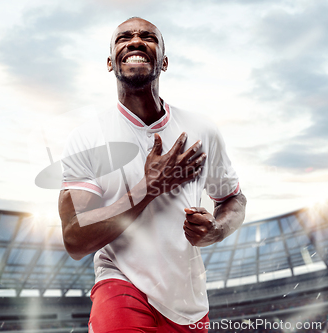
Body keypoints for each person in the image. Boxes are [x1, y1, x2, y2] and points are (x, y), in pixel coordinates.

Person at [58, 17, 247, 333]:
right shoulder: (86, 139)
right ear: (109, 62)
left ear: (164, 61)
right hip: (121, 287)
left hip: (188, 304)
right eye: (123, 38)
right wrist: (148, 188)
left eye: (148, 37)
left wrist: (217, 229)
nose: (134, 41)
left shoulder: (201, 130)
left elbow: (233, 198)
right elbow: (75, 238)